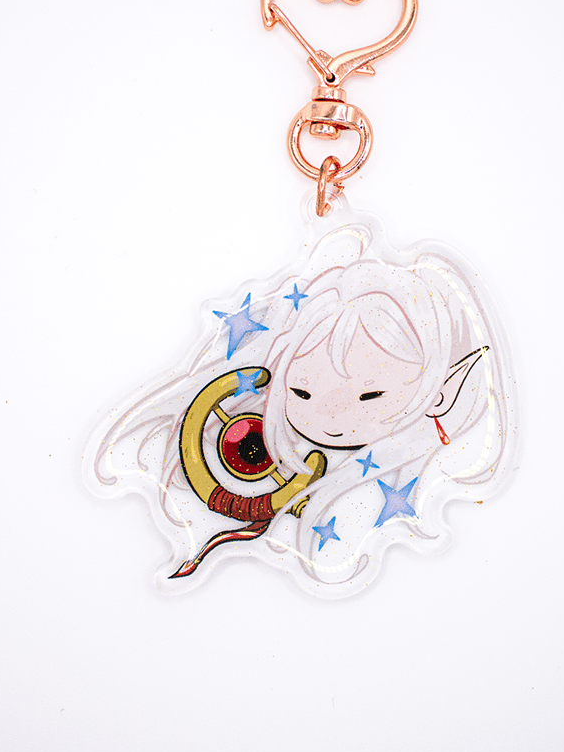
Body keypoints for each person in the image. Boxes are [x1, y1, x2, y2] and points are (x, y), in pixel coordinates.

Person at [85, 210, 514, 597]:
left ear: (438, 393)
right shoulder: (246, 422)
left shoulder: (399, 479)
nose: (331, 419)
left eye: (370, 395)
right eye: (302, 392)